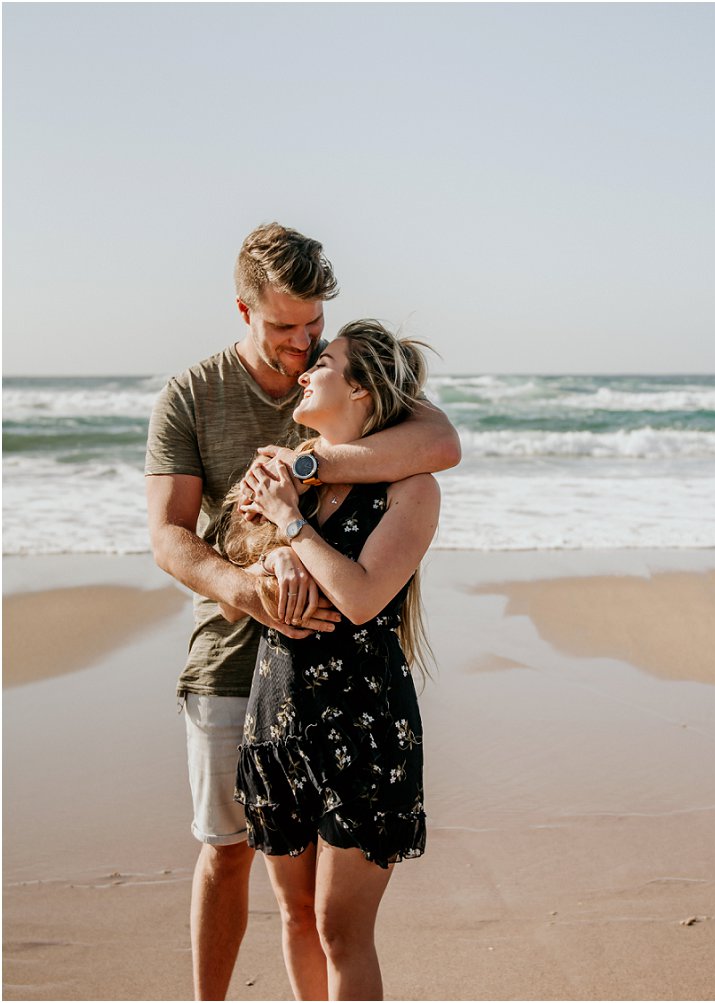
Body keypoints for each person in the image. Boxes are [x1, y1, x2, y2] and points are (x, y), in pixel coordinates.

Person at [145, 222, 460, 1001]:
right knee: (229, 850)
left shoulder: (336, 382)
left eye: (314, 324)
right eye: (284, 326)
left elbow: (437, 442)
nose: (301, 343)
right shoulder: (193, 394)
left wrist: (301, 473)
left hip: (344, 682)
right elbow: (171, 537)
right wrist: (251, 580)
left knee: (333, 916)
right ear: (244, 311)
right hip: (236, 659)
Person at [219, 320, 439, 1002]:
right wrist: (271, 560)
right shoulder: (286, 473)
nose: (306, 371)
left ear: (362, 389)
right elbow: (232, 589)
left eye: (325, 362)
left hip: (363, 726)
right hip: (278, 720)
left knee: (340, 930)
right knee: (295, 917)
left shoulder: (411, 489)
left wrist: (292, 527)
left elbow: (363, 597)